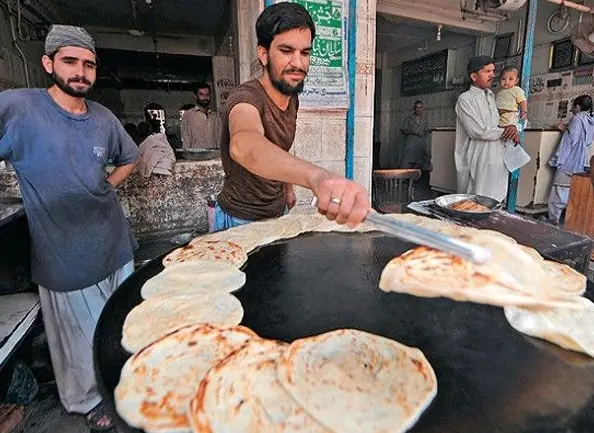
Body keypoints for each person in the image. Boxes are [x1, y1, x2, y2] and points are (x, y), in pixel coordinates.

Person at [0, 25, 139, 431]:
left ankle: (120, 389)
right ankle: (86, 405)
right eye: (70, 61)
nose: (81, 72)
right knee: (77, 345)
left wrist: (105, 187)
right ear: (48, 63)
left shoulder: (103, 119)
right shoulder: (20, 108)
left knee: (120, 330)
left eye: (89, 64)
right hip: (64, 256)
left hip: (114, 246)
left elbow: (128, 157)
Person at [215, 2, 369, 230]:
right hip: (240, 219)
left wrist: (288, 188)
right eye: (286, 51)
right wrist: (317, 178)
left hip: (278, 213)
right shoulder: (245, 98)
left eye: (305, 52)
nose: (298, 63)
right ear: (264, 54)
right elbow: (244, 144)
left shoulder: (291, 98)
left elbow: (279, 147)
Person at [455, 55, 520, 202]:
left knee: (495, 201)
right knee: (476, 201)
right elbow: (477, 131)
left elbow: (501, 121)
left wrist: (513, 128)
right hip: (478, 158)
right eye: (487, 71)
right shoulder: (465, 99)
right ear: (474, 76)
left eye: (493, 71)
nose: (492, 75)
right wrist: (505, 131)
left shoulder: (492, 96)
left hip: (497, 157)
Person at [548, 95, 594, 225]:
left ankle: (553, 219)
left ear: (578, 106)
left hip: (570, 160)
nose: (572, 108)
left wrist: (558, 159)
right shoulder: (590, 119)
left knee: (559, 191)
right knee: (571, 190)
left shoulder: (576, 119)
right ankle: (567, 219)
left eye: (573, 105)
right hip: (581, 159)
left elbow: (570, 140)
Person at [400, 100, 432, 186]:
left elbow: (427, 129)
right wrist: (414, 132)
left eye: (420, 108)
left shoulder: (424, 119)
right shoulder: (408, 118)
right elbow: (403, 130)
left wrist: (427, 131)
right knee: (407, 162)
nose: (418, 109)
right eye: (417, 108)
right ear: (414, 109)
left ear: (422, 109)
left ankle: (413, 181)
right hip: (411, 143)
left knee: (419, 162)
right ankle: (402, 180)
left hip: (421, 143)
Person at [181, 82, 221, 149]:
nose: (205, 97)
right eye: (201, 94)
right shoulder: (188, 115)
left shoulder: (214, 116)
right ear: (195, 96)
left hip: (213, 157)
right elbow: (186, 140)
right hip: (196, 157)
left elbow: (218, 139)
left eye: (207, 94)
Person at [496, 66, 528, 130]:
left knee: (509, 130)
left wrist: (523, 112)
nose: (506, 81)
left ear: (516, 81)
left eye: (510, 79)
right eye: (503, 79)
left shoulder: (517, 90)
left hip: (510, 115)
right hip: (500, 116)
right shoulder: (499, 92)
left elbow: (522, 101)